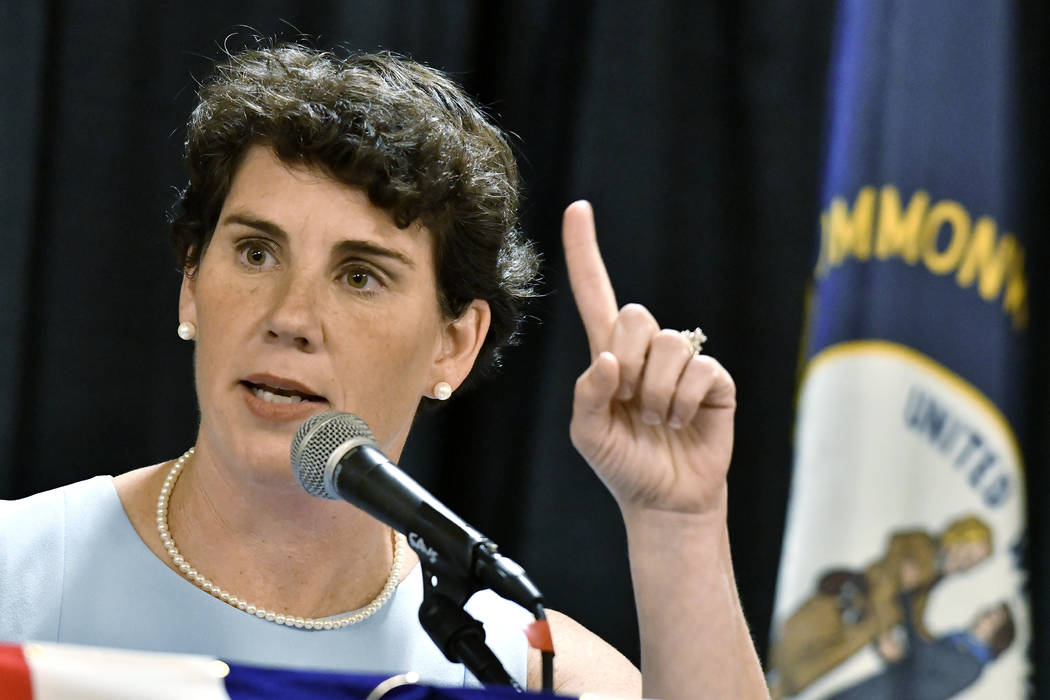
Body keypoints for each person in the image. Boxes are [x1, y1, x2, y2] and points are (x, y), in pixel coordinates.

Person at [0, 45, 767, 699]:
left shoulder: (511, 659)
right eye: (256, 252)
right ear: (192, 284)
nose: (290, 317)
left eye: (360, 275)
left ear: (455, 344)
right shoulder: (17, 573)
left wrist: (679, 527)